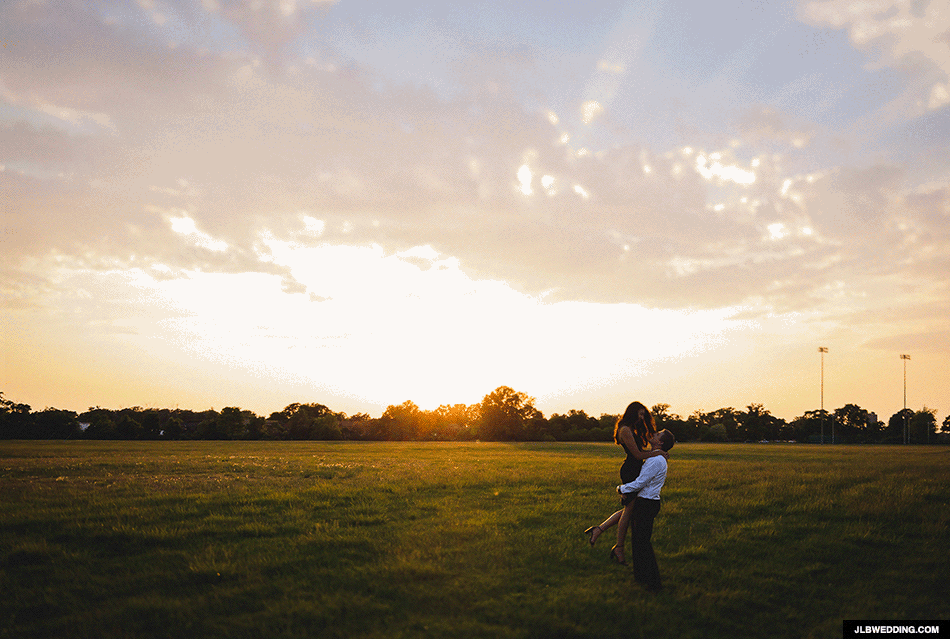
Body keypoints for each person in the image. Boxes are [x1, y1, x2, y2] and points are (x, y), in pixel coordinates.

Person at [584, 402, 667, 565]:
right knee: (629, 509)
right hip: (630, 470)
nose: (642, 417)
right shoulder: (625, 430)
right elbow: (637, 455)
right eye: (640, 414)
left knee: (630, 508)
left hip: (636, 469)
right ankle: (618, 548)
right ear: (633, 413)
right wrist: (657, 452)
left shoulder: (632, 428)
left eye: (644, 414)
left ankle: (599, 530)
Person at [617, 428, 675, 593]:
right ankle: (641, 578)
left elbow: (640, 482)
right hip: (646, 502)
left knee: (643, 543)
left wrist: (621, 488)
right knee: (637, 541)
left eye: (657, 435)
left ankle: (654, 583)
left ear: (660, 442)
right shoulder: (654, 457)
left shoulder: (656, 460)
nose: (654, 434)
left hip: (647, 504)